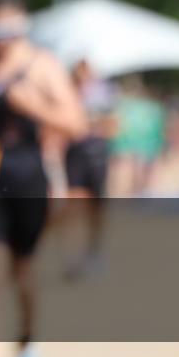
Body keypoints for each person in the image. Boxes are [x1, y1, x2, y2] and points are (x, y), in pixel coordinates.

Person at [0, 0, 87, 357]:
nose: (2, 39)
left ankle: (27, 340)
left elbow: (76, 123)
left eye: (10, 29)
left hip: (29, 174)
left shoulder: (42, 66)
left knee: (23, 270)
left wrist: (33, 107)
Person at [62, 58, 116, 280]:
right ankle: (73, 256)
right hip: (74, 154)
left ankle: (93, 250)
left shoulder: (104, 92)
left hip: (97, 154)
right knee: (74, 206)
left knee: (96, 209)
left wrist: (93, 125)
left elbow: (114, 126)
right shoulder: (66, 91)